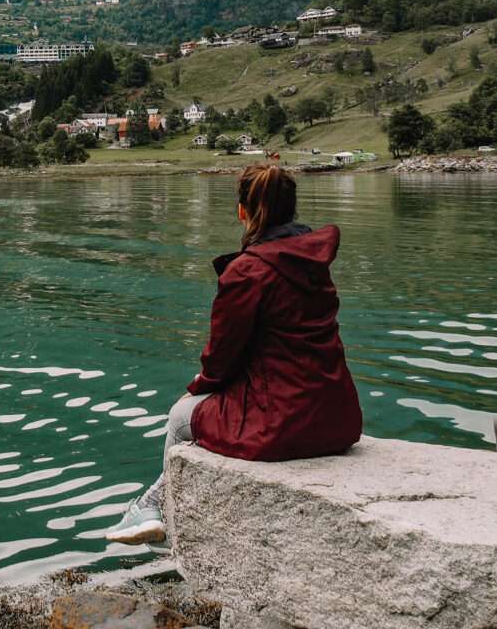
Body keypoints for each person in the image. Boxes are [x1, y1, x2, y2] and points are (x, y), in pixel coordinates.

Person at [106, 164, 362, 546]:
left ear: (242, 210)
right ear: (292, 209)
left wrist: (195, 389)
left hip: (284, 424)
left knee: (180, 417)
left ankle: (165, 521)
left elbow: (221, 359)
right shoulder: (313, 262)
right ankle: (150, 506)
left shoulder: (247, 272)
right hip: (338, 416)